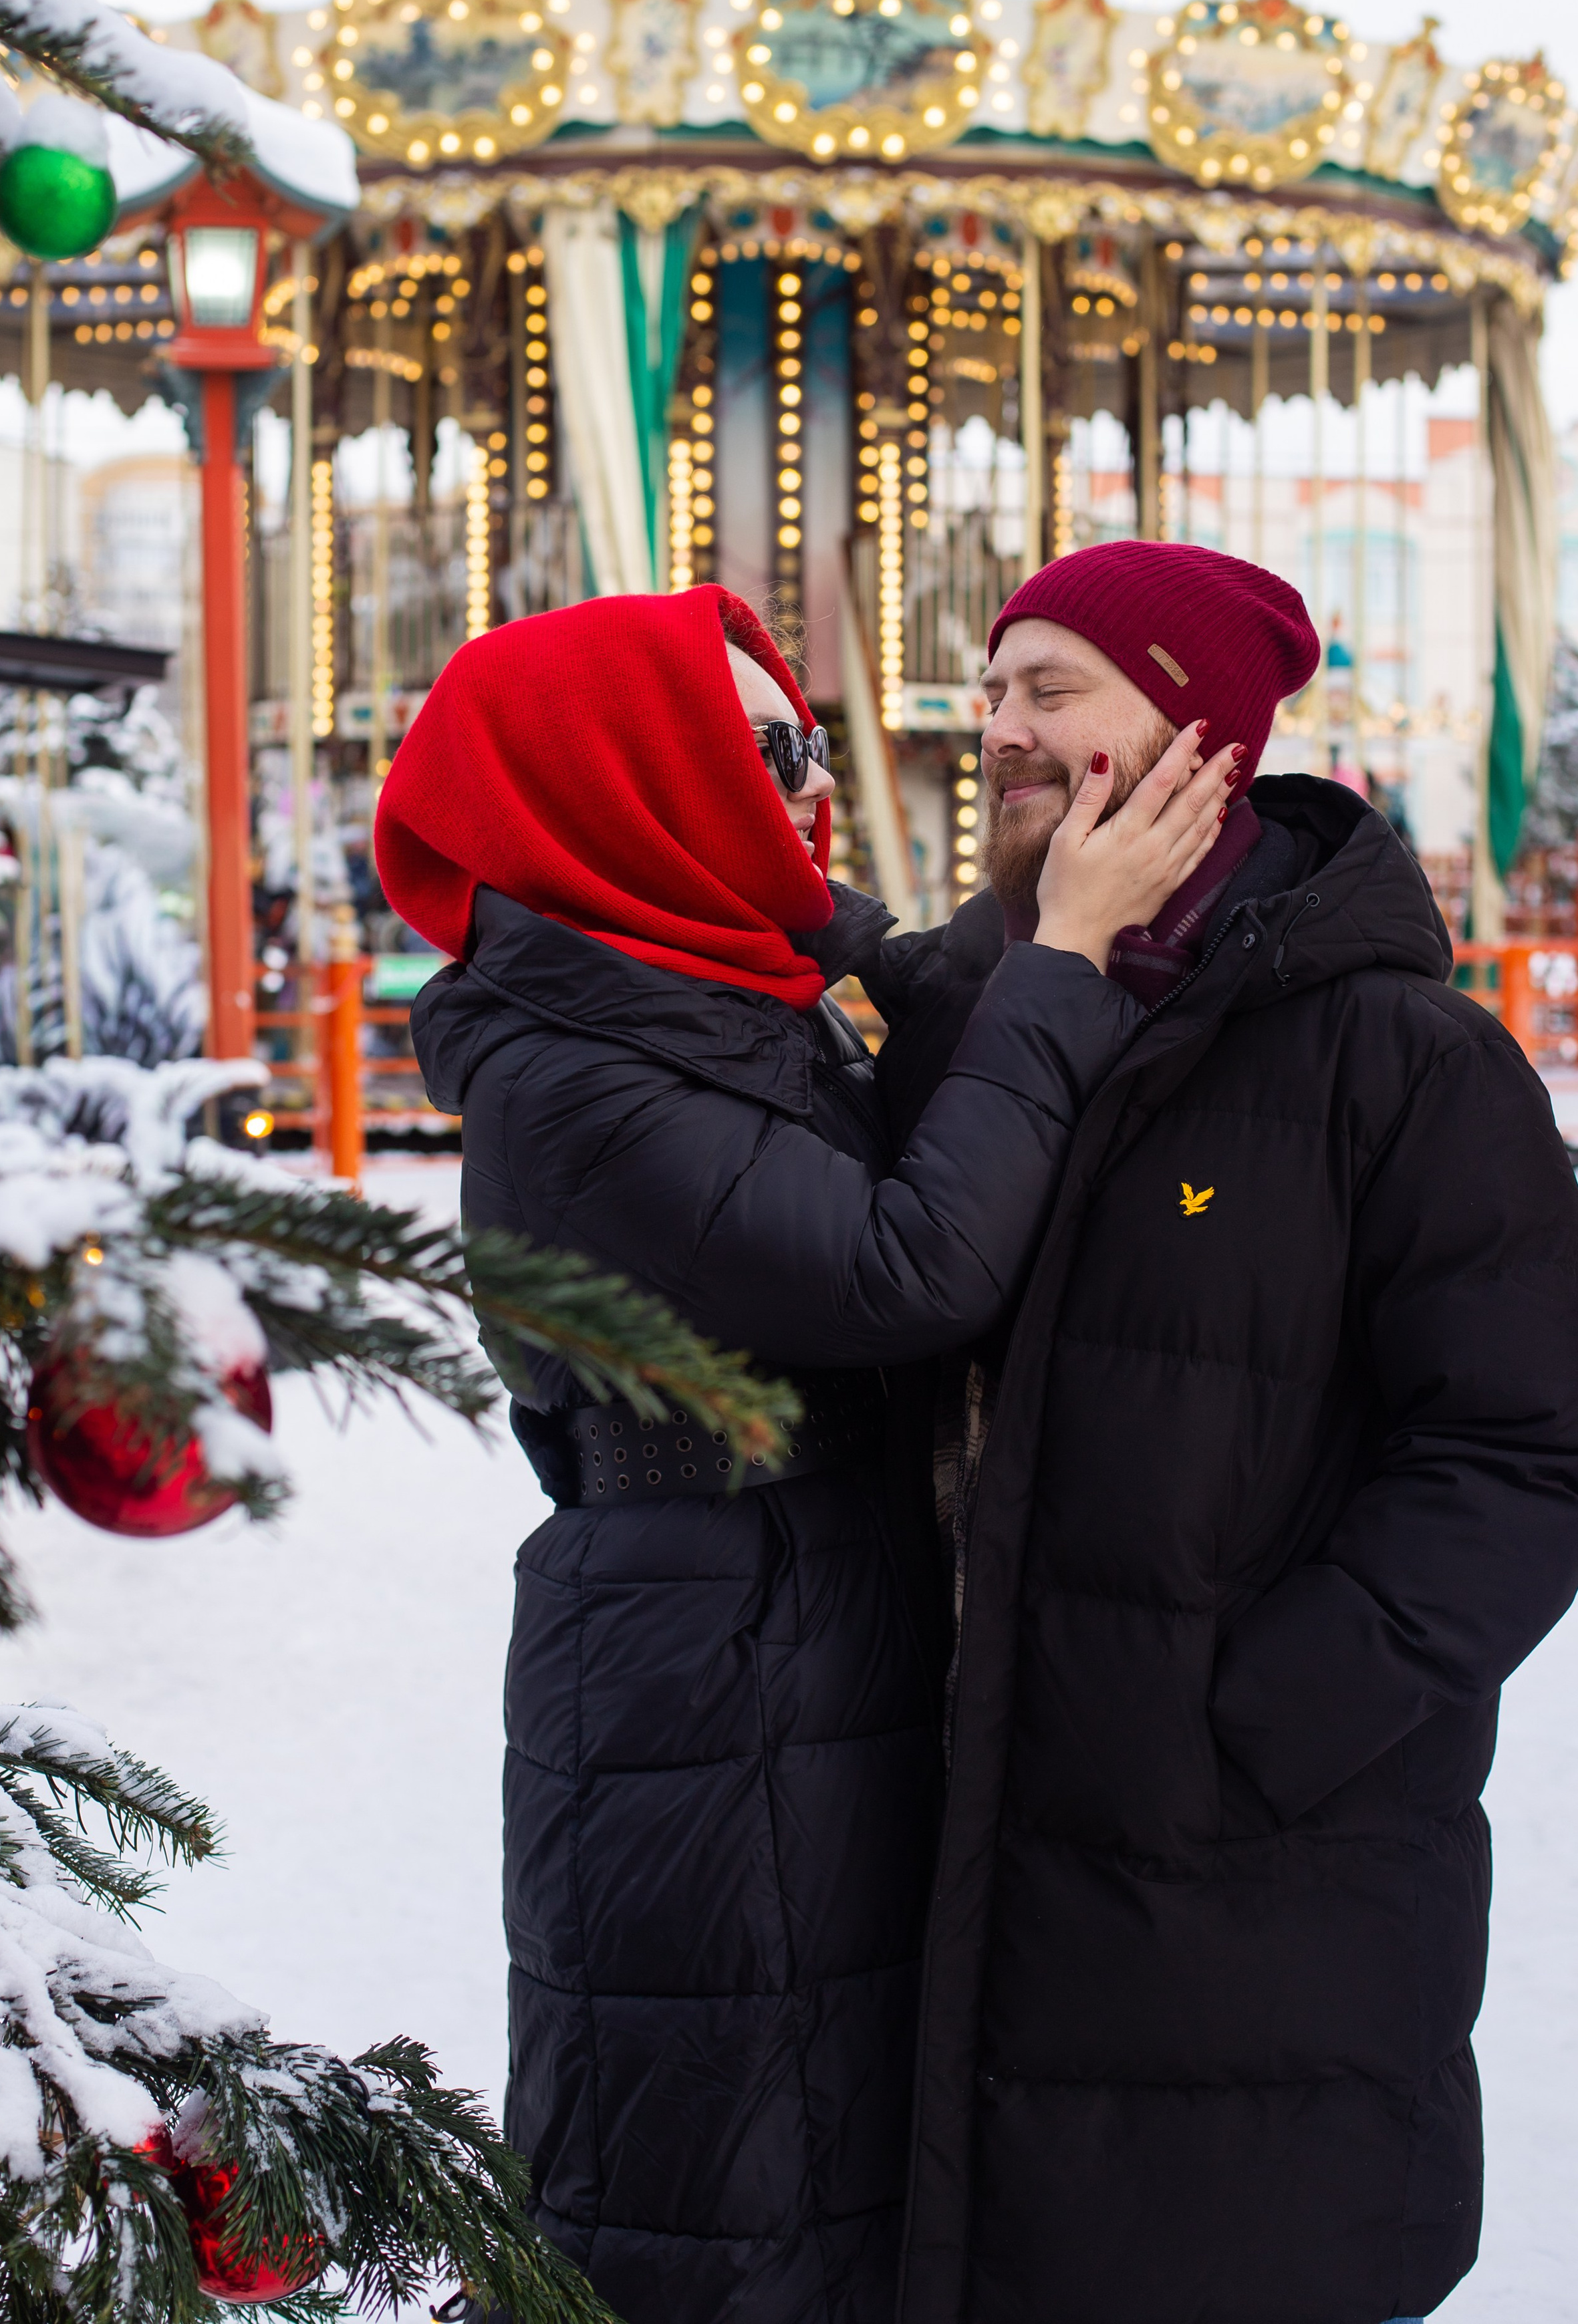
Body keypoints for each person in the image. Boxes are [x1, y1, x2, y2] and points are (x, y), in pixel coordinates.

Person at [375, 581, 1232, 2324]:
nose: (807, 786)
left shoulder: (735, 984)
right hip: (703, 1661)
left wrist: (1076, 870)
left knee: (834, 2151)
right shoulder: (569, 1072)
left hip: (805, 1619)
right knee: (710, 2183)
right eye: (761, 749)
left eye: (808, 745)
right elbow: (900, 1265)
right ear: (635, 780)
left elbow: (919, 995)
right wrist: (1063, 958)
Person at [860, 541, 1578, 2324]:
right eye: (993, 689)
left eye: (1053, 689)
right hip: (972, 1864)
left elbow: (1523, 1444)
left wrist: (1257, 1719)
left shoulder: (1404, 1064)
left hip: (1255, 1906)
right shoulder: (971, 1028)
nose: (999, 728)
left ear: (1197, 731)